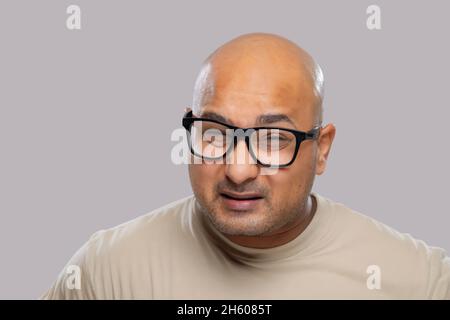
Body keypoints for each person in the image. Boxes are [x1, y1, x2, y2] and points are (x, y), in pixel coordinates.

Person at [41, 32, 450, 299]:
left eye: (272, 140)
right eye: (215, 134)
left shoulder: (422, 282)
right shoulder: (103, 273)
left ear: (321, 149)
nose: (238, 171)